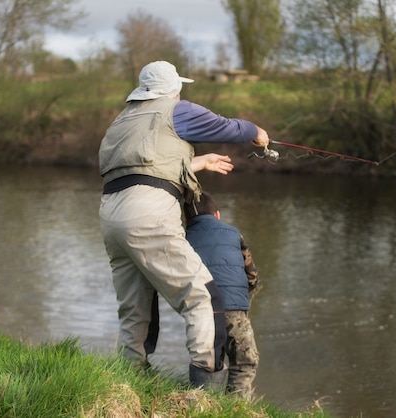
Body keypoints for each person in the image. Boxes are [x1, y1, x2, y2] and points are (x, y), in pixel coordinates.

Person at [97, 61, 269, 390]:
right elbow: (226, 127)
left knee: (135, 304)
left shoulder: (123, 120)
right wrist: (256, 132)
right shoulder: (176, 109)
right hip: (148, 214)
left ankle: (128, 380)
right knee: (203, 298)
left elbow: (144, 167)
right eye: (179, 88)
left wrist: (198, 162)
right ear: (173, 88)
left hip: (111, 215)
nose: (180, 93)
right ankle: (202, 392)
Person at [183, 191, 261, 400]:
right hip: (234, 309)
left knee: (209, 362)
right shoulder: (234, 234)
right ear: (217, 214)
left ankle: (208, 404)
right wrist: (247, 294)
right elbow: (251, 275)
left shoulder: (182, 240)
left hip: (202, 311)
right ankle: (237, 408)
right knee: (243, 361)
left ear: (186, 218)